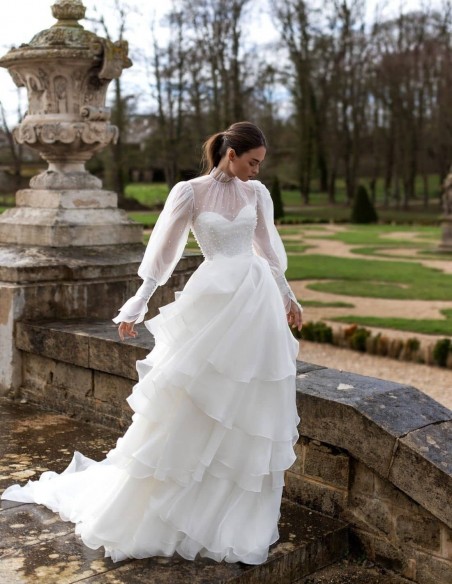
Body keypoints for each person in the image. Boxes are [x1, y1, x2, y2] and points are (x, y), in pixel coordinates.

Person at [2, 121, 303, 565]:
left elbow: (267, 252)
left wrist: (289, 297)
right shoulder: (190, 192)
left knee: (247, 402)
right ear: (231, 154)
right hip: (213, 303)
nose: (257, 172)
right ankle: (171, 503)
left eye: (261, 164)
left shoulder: (258, 195)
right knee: (192, 399)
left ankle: (229, 511)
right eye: (252, 162)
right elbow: (165, 252)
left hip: (254, 305)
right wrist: (137, 304)